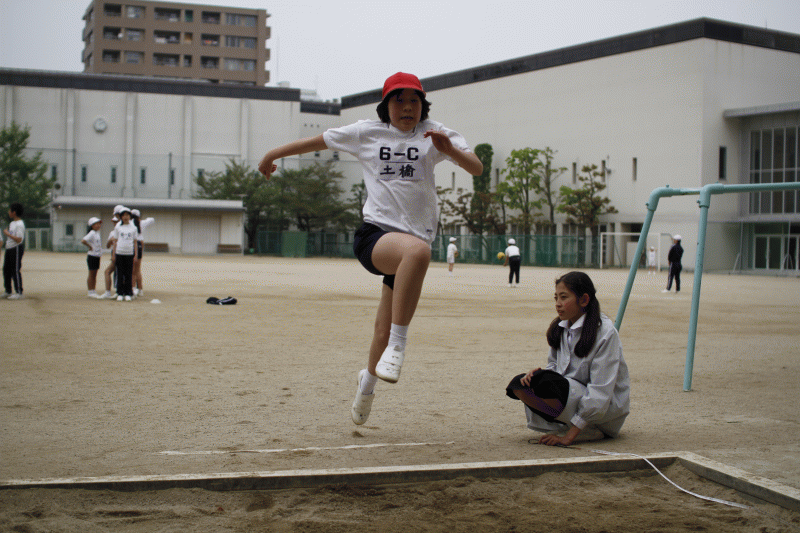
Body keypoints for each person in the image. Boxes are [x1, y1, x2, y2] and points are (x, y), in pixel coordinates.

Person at [258, 72, 483, 426]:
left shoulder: (435, 133)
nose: (407, 107)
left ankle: (367, 385)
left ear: (423, 105)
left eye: (414, 100)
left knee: (382, 328)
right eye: (399, 100)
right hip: (376, 237)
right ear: (385, 105)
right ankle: (399, 346)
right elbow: (318, 141)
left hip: (409, 249)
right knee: (418, 253)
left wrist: (449, 150)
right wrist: (272, 154)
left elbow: (476, 168)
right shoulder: (367, 132)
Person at [506, 271, 630, 446]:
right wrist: (541, 374)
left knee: (546, 385)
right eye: (556, 298)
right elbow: (555, 365)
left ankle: (585, 429)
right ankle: (567, 424)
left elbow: (600, 390)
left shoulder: (605, 333)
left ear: (584, 300)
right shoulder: (561, 328)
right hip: (572, 393)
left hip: (604, 412)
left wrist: (568, 437)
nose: (558, 304)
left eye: (564, 297)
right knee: (519, 385)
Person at [112, 207, 139, 301]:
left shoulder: (133, 228)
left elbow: (135, 242)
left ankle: (128, 293)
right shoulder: (118, 227)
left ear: (130, 216)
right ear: (120, 217)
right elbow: (115, 241)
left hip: (129, 253)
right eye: (123, 215)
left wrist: (136, 255)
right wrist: (114, 254)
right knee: (120, 273)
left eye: (127, 215)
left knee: (128, 274)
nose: (125, 217)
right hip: (119, 252)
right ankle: (120, 293)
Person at [3, 203, 26, 299]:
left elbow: (19, 239)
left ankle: (19, 292)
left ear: (14, 212)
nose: (8, 212)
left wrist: (7, 234)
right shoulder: (12, 223)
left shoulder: (19, 224)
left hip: (16, 248)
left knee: (15, 270)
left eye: (10, 210)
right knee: (6, 270)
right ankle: (8, 290)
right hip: (9, 248)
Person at [131, 209, 154, 298]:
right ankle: (140, 290)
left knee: (132, 269)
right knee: (137, 269)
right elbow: (151, 219)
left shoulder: (129, 223)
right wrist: (141, 220)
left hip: (132, 244)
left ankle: (133, 288)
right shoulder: (141, 223)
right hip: (140, 243)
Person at [81, 217, 103, 298]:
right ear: (92, 226)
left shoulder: (97, 233)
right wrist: (90, 246)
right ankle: (90, 291)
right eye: (96, 224)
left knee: (95, 274)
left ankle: (93, 290)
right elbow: (83, 240)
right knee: (91, 274)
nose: (98, 225)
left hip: (97, 255)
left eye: (99, 224)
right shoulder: (92, 233)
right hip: (92, 256)